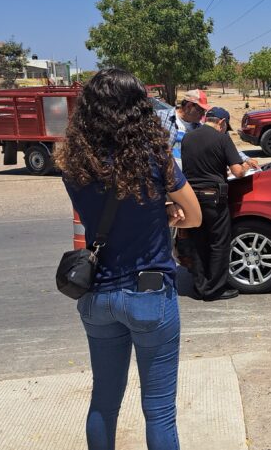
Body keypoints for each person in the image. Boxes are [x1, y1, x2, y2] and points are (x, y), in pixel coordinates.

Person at [55, 68, 201, 450]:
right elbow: (196, 215)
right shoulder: (154, 159)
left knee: (104, 402)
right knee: (159, 411)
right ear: (138, 110)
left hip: (97, 294)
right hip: (150, 294)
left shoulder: (73, 163)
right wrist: (167, 208)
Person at [179, 106, 248, 300]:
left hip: (191, 197)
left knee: (197, 241)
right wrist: (244, 165)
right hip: (214, 198)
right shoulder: (222, 138)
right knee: (219, 242)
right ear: (222, 123)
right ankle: (215, 289)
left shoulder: (188, 137)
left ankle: (200, 286)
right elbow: (237, 172)